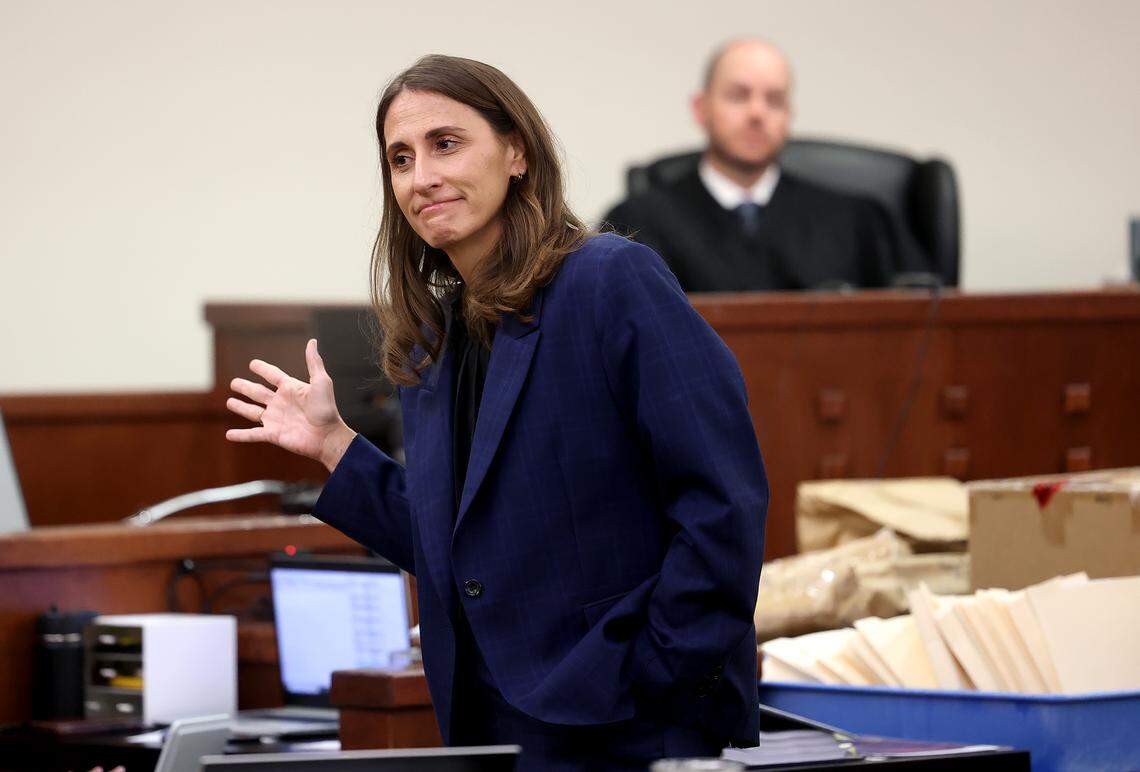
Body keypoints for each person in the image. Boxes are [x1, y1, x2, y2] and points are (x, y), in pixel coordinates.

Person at [226, 54, 767, 771]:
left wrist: (657, 671)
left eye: (446, 144)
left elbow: (724, 502)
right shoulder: (436, 338)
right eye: (400, 159)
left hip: (624, 720)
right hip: (490, 722)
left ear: (517, 153)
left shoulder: (610, 281)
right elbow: (464, 553)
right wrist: (334, 446)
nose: (421, 177)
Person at [604, 38, 908, 293]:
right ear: (701, 109)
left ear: (789, 114)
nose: (757, 113)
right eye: (738, 96)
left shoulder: (855, 221)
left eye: (774, 100)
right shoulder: (637, 225)